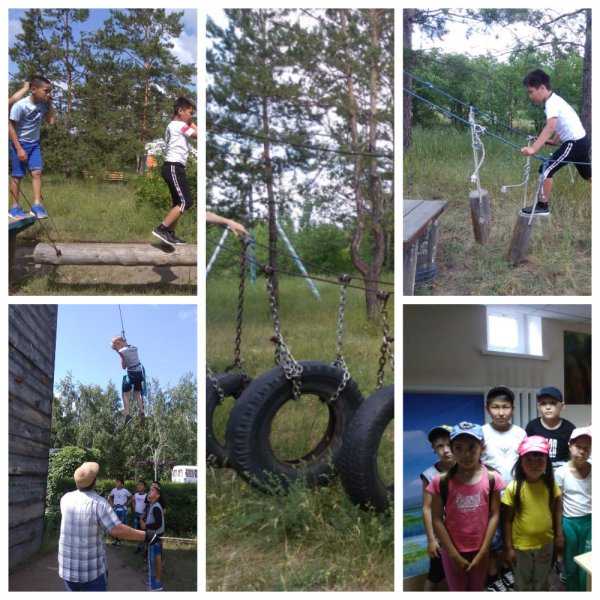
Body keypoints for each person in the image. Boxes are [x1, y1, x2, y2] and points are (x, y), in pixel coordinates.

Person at [58, 461, 161, 592]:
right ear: (94, 482)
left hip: (67, 569)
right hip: (90, 573)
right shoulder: (99, 503)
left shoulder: (66, 499)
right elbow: (117, 530)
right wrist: (147, 535)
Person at [427, 422, 505, 591]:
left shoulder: (493, 479)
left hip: (481, 549)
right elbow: (436, 519)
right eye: (459, 448)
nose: (466, 454)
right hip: (452, 550)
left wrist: (484, 551)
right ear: (452, 449)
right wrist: (453, 555)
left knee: (477, 588)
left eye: (472, 447)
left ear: (482, 448)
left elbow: (494, 514)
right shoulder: (440, 482)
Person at [520, 69, 591, 216]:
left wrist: (533, 149)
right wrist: (554, 141)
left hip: (574, 143)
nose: (530, 96)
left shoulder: (552, 103)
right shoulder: (555, 101)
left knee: (546, 169)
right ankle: (542, 205)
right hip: (581, 142)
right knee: (589, 175)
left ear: (542, 88)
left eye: (531, 91)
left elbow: (551, 126)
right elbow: (562, 125)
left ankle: (542, 206)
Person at [502, 436, 563, 591]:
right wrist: (508, 548)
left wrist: (559, 536)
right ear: (521, 464)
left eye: (539, 459)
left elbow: (556, 510)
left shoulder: (550, 485)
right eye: (528, 460)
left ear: (546, 463)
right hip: (521, 546)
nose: (534, 464)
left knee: (541, 581)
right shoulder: (513, 488)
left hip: (545, 543)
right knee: (521, 582)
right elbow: (507, 520)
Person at [480, 386, 526, 592]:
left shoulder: (519, 433)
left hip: (515, 494)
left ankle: (508, 568)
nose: (500, 412)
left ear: (513, 409)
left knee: (511, 532)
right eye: (495, 407)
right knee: (493, 536)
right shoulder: (481, 433)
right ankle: (491, 575)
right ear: (488, 408)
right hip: (491, 496)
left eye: (505, 407)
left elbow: (524, 462)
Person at [152, 96, 197, 246]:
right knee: (186, 201)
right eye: (190, 113)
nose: (191, 116)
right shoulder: (179, 125)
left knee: (178, 202)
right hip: (173, 166)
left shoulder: (173, 125)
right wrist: (192, 123)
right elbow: (198, 136)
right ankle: (162, 229)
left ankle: (170, 233)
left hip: (174, 167)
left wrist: (189, 120)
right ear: (180, 111)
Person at [9, 75, 55, 221]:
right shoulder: (21, 105)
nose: (48, 94)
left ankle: (36, 205)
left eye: (50, 92)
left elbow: (51, 122)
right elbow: (10, 128)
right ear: (33, 90)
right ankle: (14, 207)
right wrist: (19, 149)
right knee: (18, 175)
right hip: (19, 143)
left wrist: (50, 104)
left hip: (34, 143)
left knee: (37, 172)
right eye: (46, 91)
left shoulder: (44, 104)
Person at [555, 426, 591, 592]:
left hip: (590, 522)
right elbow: (558, 507)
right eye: (578, 447)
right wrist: (559, 533)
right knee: (571, 563)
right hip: (570, 523)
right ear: (570, 445)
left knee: (589, 561)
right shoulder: (561, 472)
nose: (582, 452)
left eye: (586, 448)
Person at [420, 425, 455, 591]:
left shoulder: (467, 469)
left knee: (457, 573)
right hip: (441, 536)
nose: (446, 450)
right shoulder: (430, 474)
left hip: (463, 534)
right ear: (434, 448)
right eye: (440, 446)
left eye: (449, 444)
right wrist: (431, 540)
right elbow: (427, 508)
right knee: (435, 574)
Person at [525, 386, 575, 471]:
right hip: (538, 471)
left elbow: (573, 454)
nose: (548, 407)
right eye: (543, 403)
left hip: (562, 472)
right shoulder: (532, 426)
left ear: (562, 406)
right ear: (538, 406)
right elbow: (527, 452)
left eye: (553, 403)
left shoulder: (570, 428)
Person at [110, 335, 146, 427]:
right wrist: (124, 343)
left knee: (125, 394)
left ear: (118, 343)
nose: (116, 350)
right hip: (139, 373)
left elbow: (123, 367)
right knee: (137, 394)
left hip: (132, 374)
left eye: (115, 348)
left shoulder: (121, 352)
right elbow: (127, 346)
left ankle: (127, 416)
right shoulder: (134, 348)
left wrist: (120, 354)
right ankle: (142, 413)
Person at [140, 485, 166, 591]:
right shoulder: (152, 505)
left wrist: (146, 525)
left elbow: (158, 524)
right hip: (152, 536)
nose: (149, 492)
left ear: (157, 496)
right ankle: (153, 577)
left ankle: (158, 582)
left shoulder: (155, 507)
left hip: (156, 537)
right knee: (152, 559)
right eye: (149, 490)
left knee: (157, 559)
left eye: (152, 491)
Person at [108, 478, 132, 547]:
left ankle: (119, 541)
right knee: (115, 525)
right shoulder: (114, 490)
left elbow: (131, 497)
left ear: (122, 484)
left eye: (118, 482)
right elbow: (109, 496)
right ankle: (115, 540)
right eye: (116, 482)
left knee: (121, 525)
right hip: (116, 509)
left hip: (122, 510)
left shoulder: (125, 491)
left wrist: (127, 504)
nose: (116, 483)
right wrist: (112, 503)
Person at [132, 480, 148, 554]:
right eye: (138, 484)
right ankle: (139, 548)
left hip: (144, 517)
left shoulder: (147, 495)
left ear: (145, 488)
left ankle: (146, 550)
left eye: (141, 485)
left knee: (145, 533)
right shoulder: (136, 495)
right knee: (138, 532)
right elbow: (133, 501)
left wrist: (144, 515)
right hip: (137, 515)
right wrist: (134, 507)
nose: (139, 486)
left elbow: (148, 506)